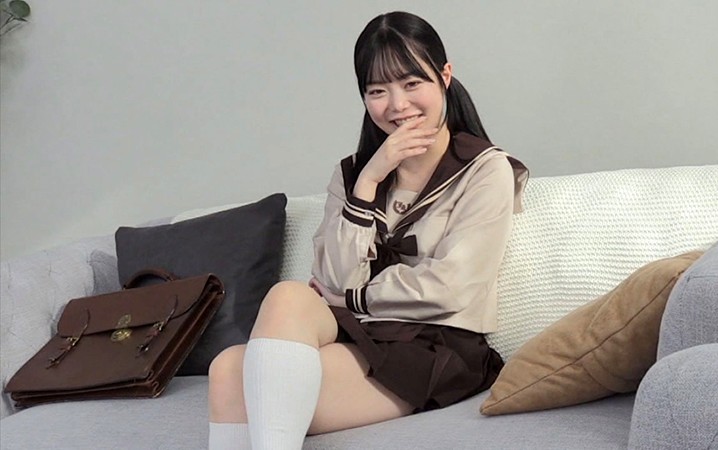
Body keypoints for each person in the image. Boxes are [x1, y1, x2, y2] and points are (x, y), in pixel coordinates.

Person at [207, 11, 528, 450]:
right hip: (361, 330)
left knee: (242, 384)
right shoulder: (354, 174)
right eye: (378, 91)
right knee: (240, 350)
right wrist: (368, 183)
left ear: (445, 76)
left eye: (411, 83)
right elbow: (333, 279)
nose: (397, 105)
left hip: (436, 342)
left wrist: (356, 298)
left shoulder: (486, 170)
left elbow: (453, 287)